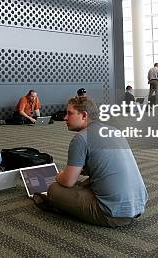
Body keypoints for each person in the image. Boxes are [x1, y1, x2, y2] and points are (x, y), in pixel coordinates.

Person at [33, 96, 147, 227]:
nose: (65, 118)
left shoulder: (81, 138)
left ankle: (61, 206)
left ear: (84, 115)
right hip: (138, 207)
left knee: (53, 189)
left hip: (112, 215)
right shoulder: (113, 130)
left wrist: (59, 175)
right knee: (83, 184)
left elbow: (68, 181)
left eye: (69, 113)